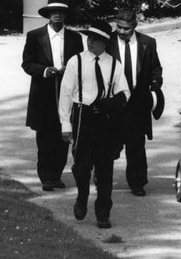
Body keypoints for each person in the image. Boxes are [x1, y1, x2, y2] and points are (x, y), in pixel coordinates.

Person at [59, 20, 130, 229]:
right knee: (81, 167)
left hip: (105, 119)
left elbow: (125, 92)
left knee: (105, 168)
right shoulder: (76, 62)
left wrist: (112, 102)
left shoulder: (114, 64)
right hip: (83, 116)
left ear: (105, 43)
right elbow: (65, 92)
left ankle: (103, 212)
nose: (90, 42)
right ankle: (82, 196)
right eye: (89, 38)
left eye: (96, 39)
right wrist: (65, 123)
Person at [22, 0, 84, 192]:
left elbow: (81, 62)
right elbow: (27, 63)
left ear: (66, 15)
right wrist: (46, 71)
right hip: (44, 92)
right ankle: (46, 176)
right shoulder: (35, 36)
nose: (57, 16)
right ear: (48, 15)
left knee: (63, 134)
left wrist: (70, 70)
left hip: (66, 92)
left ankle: (57, 174)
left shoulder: (74, 38)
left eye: (61, 13)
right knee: (45, 135)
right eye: (53, 12)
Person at [106, 7, 163, 197]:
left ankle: (137, 182)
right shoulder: (107, 42)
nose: (121, 32)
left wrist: (155, 85)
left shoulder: (148, 43)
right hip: (113, 101)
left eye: (126, 29)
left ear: (135, 26)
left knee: (136, 145)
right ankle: (102, 178)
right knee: (108, 143)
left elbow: (155, 68)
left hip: (137, 102)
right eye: (119, 27)